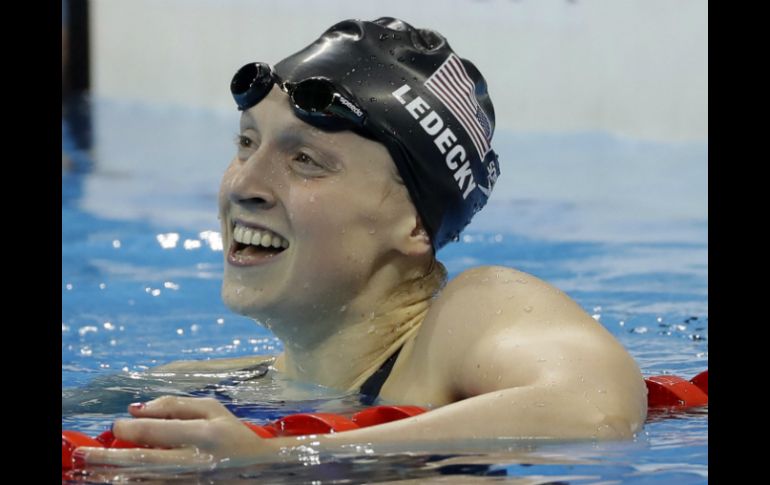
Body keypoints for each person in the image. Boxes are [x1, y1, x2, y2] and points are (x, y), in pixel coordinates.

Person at [76, 17, 647, 468]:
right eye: (247, 143)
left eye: (306, 160)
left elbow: (597, 410)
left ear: (416, 225)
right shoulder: (210, 385)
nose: (244, 186)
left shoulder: (470, 316)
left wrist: (276, 458)